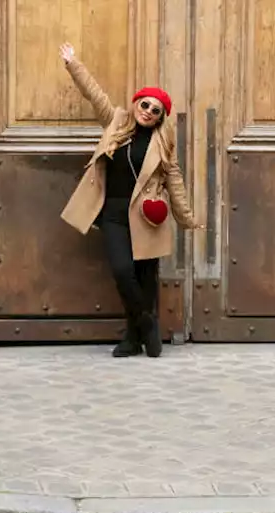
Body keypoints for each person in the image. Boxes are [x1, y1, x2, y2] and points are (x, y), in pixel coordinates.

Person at [58, 42, 201, 358]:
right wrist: (73, 64)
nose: (148, 112)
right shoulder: (116, 121)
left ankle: (132, 338)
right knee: (123, 271)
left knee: (145, 277)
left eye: (156, 110)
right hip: (112, 212)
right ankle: (148, 323)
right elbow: (95, 95)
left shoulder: (163, 142)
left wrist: (187, 217)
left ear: (160, 117)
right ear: (136, 102)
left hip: (146, 215)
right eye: (145, 104)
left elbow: (174, 179)